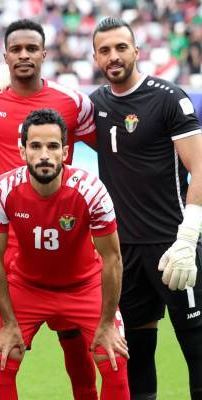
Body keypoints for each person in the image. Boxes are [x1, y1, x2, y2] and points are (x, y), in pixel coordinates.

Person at [0, 19, 98, 399]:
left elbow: (109, 149)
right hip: (5, 240)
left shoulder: (72, 102)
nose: (24, 55)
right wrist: (6, 176)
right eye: (16, 50)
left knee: (73, 339)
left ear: (44, 53)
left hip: (62, 238)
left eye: (31, 49)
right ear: (5, 56)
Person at [90, 17, 202, 399]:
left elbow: (199, 166)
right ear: (95, 58)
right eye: (105, 50)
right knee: (136, 358)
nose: (114, 56)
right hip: (124, 253)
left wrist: (188, 238)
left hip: (173, 246)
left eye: (121, 47)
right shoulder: (95, 104)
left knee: (197, 349)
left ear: (136, 51)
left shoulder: (168, 98)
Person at [0, 108, 129, 399]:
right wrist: (9, 323)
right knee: (2, 357)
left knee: (112, 358)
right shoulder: (2, 190)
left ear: (65, 152)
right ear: (22, 151)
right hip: (28, 287)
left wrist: (106, 325)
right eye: (35, 146)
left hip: (84, 286)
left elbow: (112, 259)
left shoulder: (91, 191)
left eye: (52, 146)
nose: (44, 155)